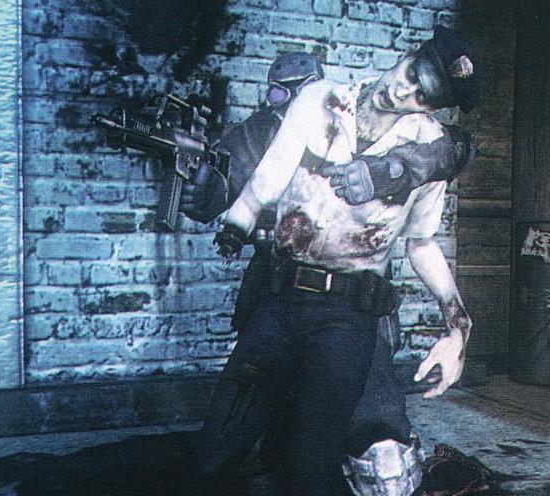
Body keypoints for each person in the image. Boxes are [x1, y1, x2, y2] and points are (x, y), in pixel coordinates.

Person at [197, 25, 480, 496]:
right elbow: (270, 174)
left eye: (422, 96)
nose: (403, 91)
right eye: (411, 74)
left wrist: (459, 327)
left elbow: (421, 243)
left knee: (310, 467)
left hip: (345, 320)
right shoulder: (320, 100)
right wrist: (236, 222)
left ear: (433, 108)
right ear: (406, 56)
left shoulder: (431, 152)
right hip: (278, 302)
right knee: (216, 450)